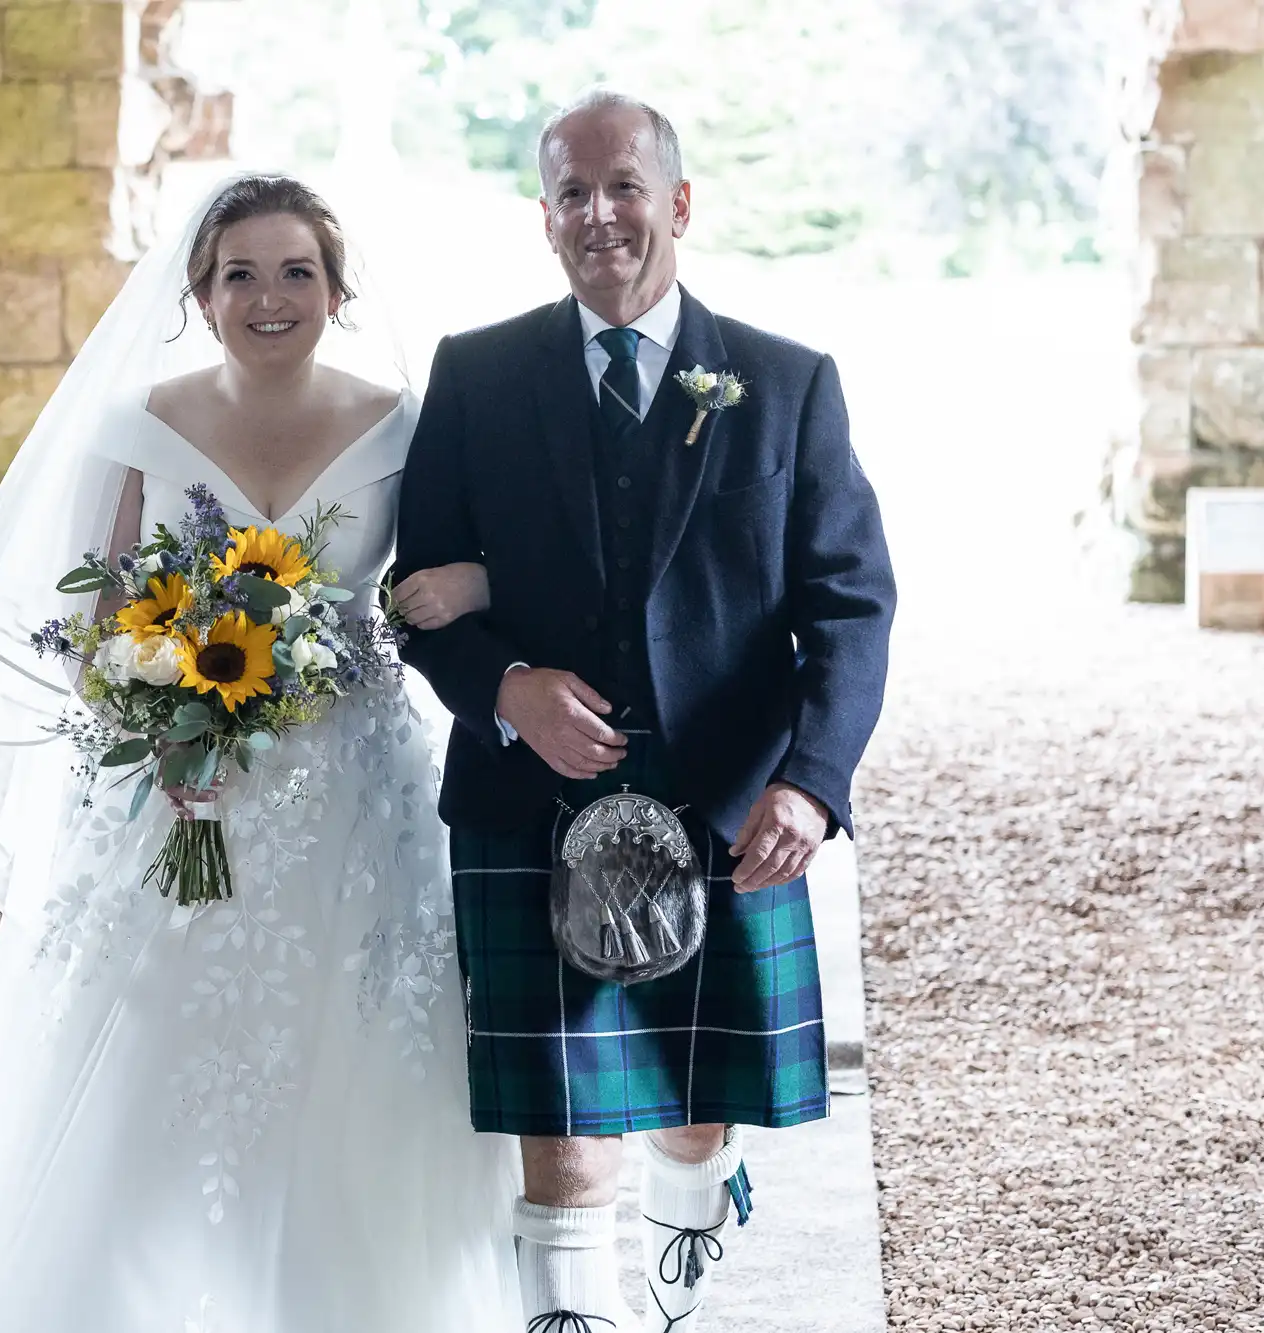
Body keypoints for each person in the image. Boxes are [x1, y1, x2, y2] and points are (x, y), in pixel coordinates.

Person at [0, 175, 517, 1332]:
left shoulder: (402, 423)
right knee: (148, 1074)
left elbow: (459, 571)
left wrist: (465, 584)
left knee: (357, 1076)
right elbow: (99, 617)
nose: (269, 297)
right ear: (199, 296)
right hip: (186, 794)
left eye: (295, 272)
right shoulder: (138, 424)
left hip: (353, 802)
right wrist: (154, 722)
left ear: (336, 287)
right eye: (239, 275)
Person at [390, 88, 897, 1332]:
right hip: (524, 794)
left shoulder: (784, 383)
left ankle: (692, 1195)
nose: (599, 215)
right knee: (558, 1109)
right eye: (572, 192)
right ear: (544, 218)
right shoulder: (476, 374)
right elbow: (421, 597)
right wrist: (504, 689)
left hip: (722, 790)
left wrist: (810, 780)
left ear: (677, 203)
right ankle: (574, 1312)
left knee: (685, 1096)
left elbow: (849, 605)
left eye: (623, 188)